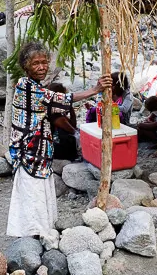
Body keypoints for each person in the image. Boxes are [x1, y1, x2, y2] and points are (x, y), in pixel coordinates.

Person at [7, 42, 111, 238]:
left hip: (40, 151)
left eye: (44, 62)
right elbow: (59, 98)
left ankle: (39, 230)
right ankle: (33, 233)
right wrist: (94, 90)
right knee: (33, 192)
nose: (41, 67)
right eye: (36, 63)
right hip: (29, 152)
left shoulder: (35, 86)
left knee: (39, 192)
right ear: (26, 66)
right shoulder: (25, 86)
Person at [47, 82, 79, 161]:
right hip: (56, 150)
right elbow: (72, 130)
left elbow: (73, 124)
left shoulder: (58, 111)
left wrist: (70, 107)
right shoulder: (54, 114)